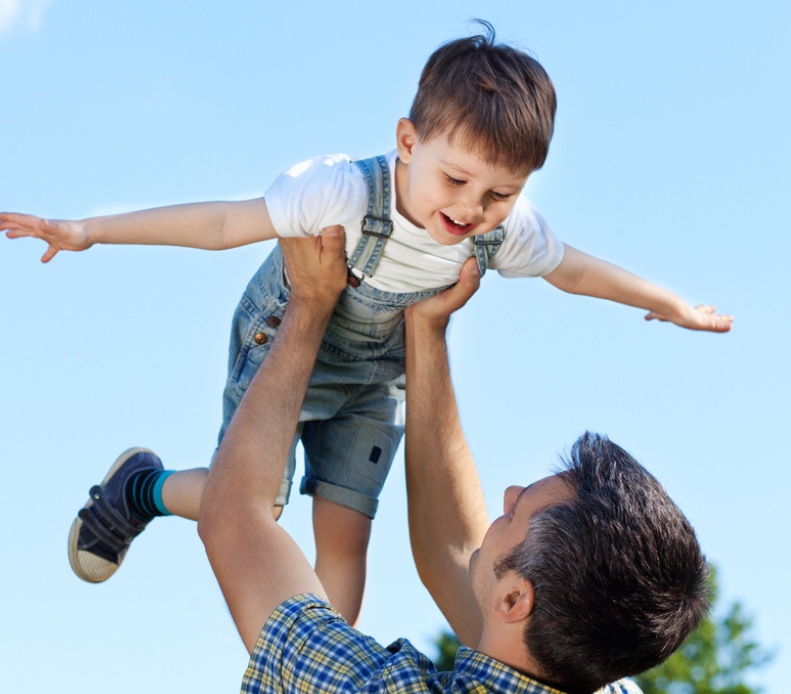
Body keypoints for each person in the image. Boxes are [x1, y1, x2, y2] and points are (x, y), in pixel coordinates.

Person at [0, 22, 731, 625]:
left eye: (500, 193)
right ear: (407, 142)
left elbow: (571, 268)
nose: (472, 208)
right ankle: (141, 489)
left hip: (379, 376)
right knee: (257, 501)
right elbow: (222, 223)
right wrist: (87, 230)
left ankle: (322, 666)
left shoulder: (503, 229)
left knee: (347, 530)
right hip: (288, 336)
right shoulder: (340, 191)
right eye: (456, 180)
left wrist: (667, 302)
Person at [192, 229, 707, 692]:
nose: (506, 495)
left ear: (513, 601)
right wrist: (426, 329)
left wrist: (309, 303)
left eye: (515, 514)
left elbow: (234, 515)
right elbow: (457, 552)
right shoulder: (600, 674)